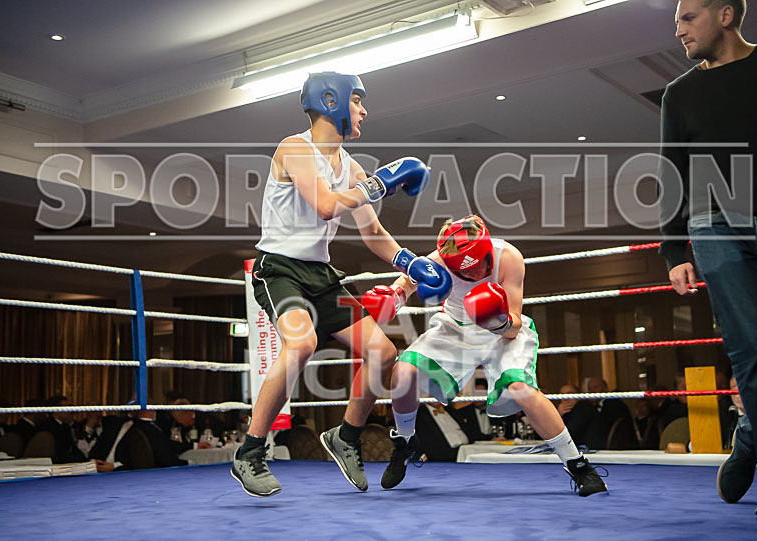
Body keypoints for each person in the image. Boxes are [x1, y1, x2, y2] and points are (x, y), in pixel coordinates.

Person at [231, 71, 451, 498]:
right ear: (330, 101)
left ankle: (346, 436)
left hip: (321, 274)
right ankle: (251, 451)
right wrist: (380, 183)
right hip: (279, 269)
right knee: (301, 344)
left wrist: (410, 261)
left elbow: (372, 233)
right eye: (357, 101)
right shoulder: (294, 148)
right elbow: (327, 206)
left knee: (383, 352)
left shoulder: (350, 166)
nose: (364, 111)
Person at [658, 0, 757, 521]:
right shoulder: (680, 92)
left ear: (726, 15)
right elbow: (672, 173)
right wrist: (673, 249)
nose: (680, 32)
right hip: (716, 226)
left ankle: (752, 434)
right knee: (753, 351)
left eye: (688, 19)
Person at [363, 215, 607, 496]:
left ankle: (578, 465)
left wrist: (499, 321)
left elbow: (514, 326)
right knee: (403, 371)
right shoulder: (438, 260)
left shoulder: (509, 257)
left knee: (521, 388)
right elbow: (406, 282)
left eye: (481, 263)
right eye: (468, 269)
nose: (477, 272)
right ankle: (405, 444)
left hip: (501, 327)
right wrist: (393, 297)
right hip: (456, 327)